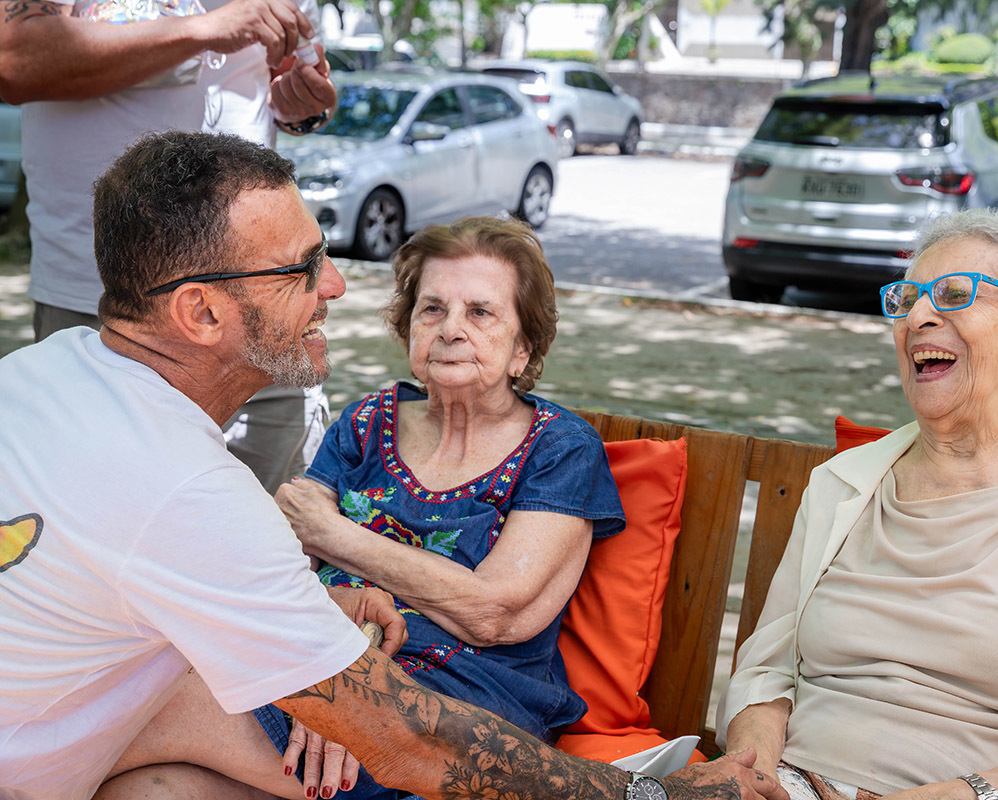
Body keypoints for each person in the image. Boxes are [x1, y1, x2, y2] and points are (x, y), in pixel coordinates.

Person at [0, 131, 783, 800]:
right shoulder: (197, 491)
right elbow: (413, 743)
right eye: (302, 268)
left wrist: (335, 668)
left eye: (481, 313)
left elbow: (477, 621)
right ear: (201, 312)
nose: (336, 284)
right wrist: (656, 793)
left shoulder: (37, 375)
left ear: (524, 346)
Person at [716, 208, 998, 800]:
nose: (919, 317)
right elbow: (767, 672)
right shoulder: (844, 483)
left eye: (954, 295)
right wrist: (751, 770)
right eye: (907, 298)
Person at [255, 216, 625, 796]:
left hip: (462, 711)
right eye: (432, 310)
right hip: (326, 667)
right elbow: (281, 566)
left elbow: (493, 612)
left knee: (169, 724)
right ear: (408, 329)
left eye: (480, 312)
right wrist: (334, 678)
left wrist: (333, 535)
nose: (451, 329)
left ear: (522, 349)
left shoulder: (560, 449)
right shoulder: (363, 423)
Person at [0, 0, 338, 493]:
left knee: (270, 521)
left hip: (268, 300)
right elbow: (16, 60)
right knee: (100, 517)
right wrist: (204, 29)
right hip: (102, 306)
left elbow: (285, 96)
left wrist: (301, 106)